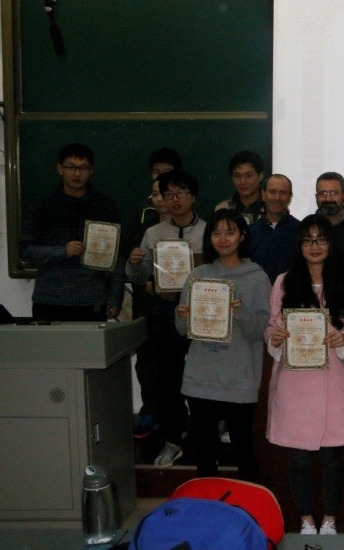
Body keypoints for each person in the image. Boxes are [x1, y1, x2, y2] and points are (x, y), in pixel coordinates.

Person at [264, 214, 344, 536]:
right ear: (299, 245)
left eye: (321, 239)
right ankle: (305, 520)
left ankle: (330, 520)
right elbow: (272, 325)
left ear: (331, 244)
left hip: (334, 379)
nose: (314, 246)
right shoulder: (284, 282)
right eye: (308, 240)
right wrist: (274, 337)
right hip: (295, 383)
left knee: (333, 457)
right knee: (299, 458)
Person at [174, 209, 271, 481]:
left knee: (243, 449)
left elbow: (261, 331)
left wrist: (239, 312)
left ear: (242, 236)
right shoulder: (198, 275)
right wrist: (181, 316)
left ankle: (249, 505)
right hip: (201, 378)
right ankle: (208, 505)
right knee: (204, 453)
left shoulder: (257, 277)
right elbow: (183, 330)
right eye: (216, 233)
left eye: (230, 232)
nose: (223, 239)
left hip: (239, 379)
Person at [126, 170, 208, 468]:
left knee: (202, 380)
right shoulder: (153, 233)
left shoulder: (210, 232)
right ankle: (173, 439)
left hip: (201, 316)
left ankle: (203, 438)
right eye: (168, 194)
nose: (175, 200)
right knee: (168, 381)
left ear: (193, 196)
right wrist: (134, 264)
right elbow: (139, 277)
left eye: (181, 193)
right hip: (166, 314)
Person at [19, 143, 124, 321]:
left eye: (83, 168)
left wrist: (115, 296)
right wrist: (63, 251)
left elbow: (118, 257)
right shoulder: (42, 206)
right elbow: (26, 250)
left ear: (91, 171)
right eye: (71, 167)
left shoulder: (106, 207)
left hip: (93, 298)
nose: (77, 173)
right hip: (49, 299)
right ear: (60, 169)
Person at [132, 152, 182, 439]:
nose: (161, 196)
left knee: (174, 363)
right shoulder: (142, 221)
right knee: (147, 359)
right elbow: (133, 267)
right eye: (156, 175)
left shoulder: (190, 226)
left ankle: (174, 417)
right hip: (147, 302)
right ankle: (151, 411)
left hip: (178, 305)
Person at [249, 174, 301, 283]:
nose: (277, 197)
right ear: (263, 195)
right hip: (257, 292)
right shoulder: (250, 232)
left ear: (290, 197)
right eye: (272, 192)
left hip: (291, 292)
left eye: (283, 192)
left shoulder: (301, 231)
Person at [216, 150, 266, 224]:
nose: (242, 182)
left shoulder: (273, 206)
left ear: (260, 176)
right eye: (237, 176)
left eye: (248, 175)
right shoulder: (222, 208)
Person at [315, 171, 344, 256]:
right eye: (323, 193)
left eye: (334, 193)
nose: (328, 199)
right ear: (316, 197)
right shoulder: (306, 229)